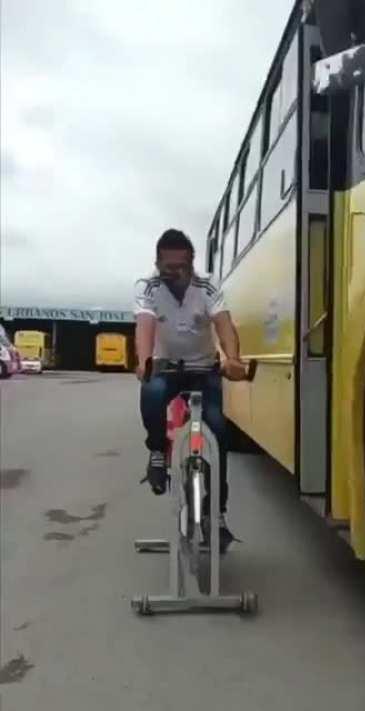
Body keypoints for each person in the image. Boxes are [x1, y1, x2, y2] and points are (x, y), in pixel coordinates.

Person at [134, 228, 246, 550]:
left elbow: (224, 324)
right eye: (168, 267)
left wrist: (233, 359)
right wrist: (144, 361)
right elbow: (144, 324)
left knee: (220, 432)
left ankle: (217, 514)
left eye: (182, 266)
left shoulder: (206, 285)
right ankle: (157, 451)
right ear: (157, 263)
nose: (175, 273)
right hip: (166, 366)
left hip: (203, 368)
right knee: (152, 392)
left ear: (192, 261)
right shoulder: (148, 286)